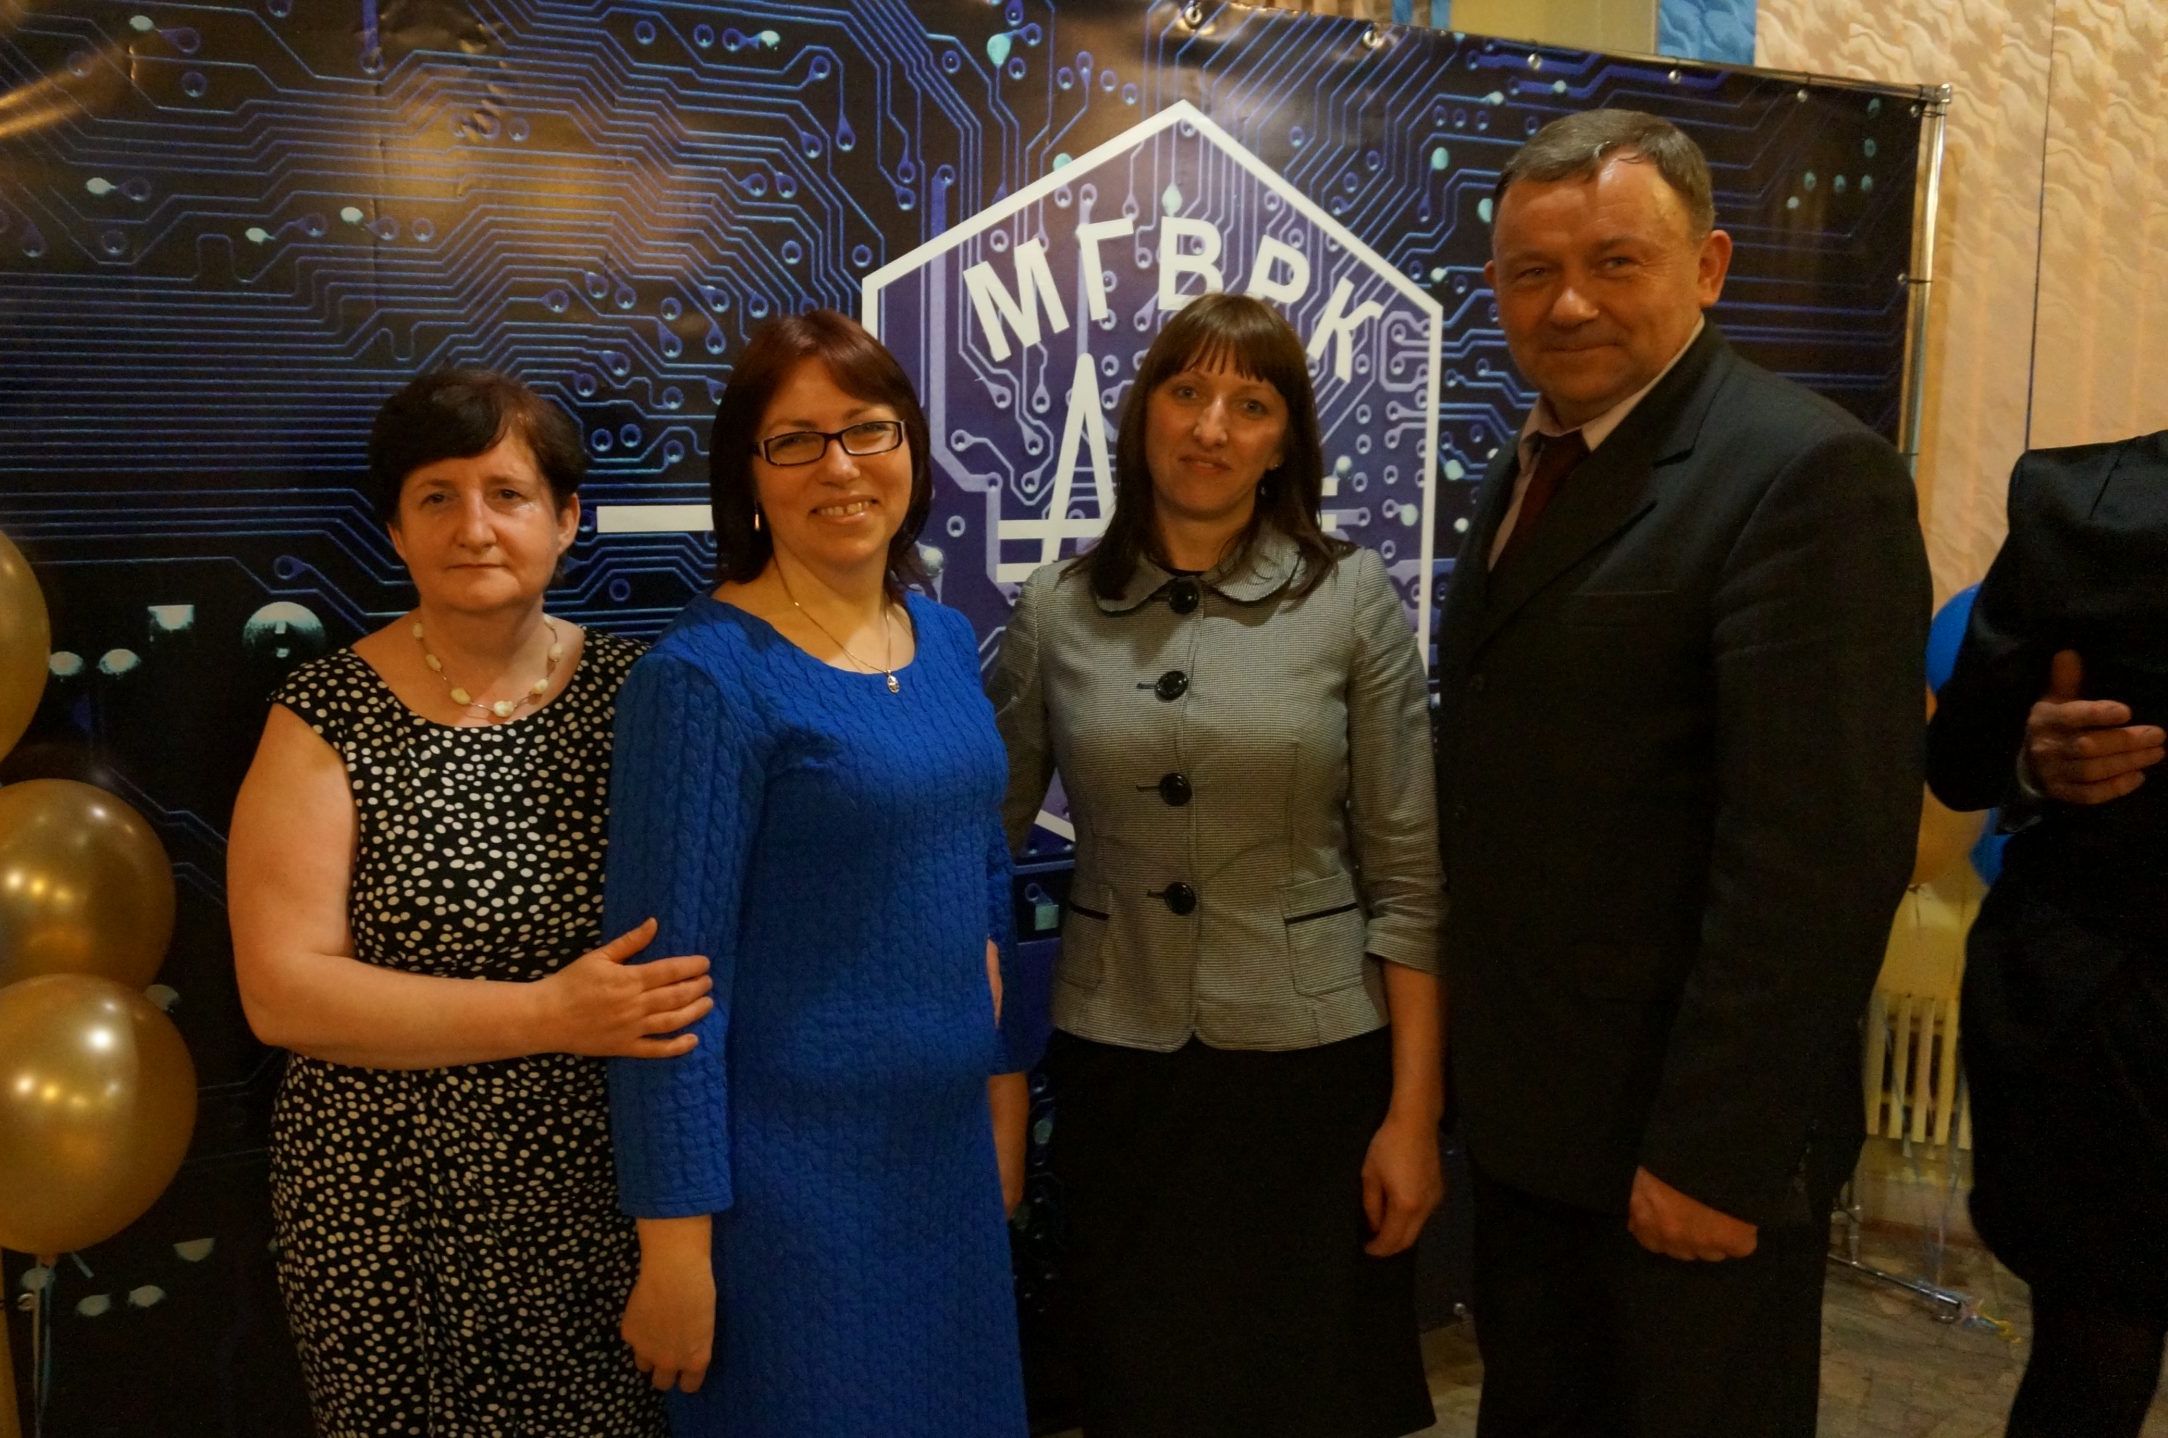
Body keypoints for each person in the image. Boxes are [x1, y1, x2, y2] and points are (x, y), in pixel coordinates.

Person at [1434, 108, 1931, 1436]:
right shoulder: (1534, 461)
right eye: (1533, 272)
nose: (1570, 302)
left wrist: (1715, 1155)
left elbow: (1817, 859)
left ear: (1707, 266)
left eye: (1616, 261)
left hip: (1685, 1154)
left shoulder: (1807, 476)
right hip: (1541, 1135)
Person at [987, 292, 1444, 1436]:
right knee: (1141, 1386)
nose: (1210, 427)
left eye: (1250, 404)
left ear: (1283, 441)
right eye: (1186, 392)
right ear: (1143, 413)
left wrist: (1412, 1116)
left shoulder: (1349, 596)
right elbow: (978, 844)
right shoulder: (1056, 607)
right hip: (1121, 1064)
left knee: (1302, 1393)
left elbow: (1407, 876)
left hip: (1311, 1072)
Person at [228, 369, 711, 1437]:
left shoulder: (649, 698)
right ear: (395, 530)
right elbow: (282, 991)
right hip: (382, 1214)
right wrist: (549, 1013)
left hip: (601, 1202)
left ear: (567, 519)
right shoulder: (324, 712)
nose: (474, 527)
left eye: (508, 493)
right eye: (436, 497)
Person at [602, 310, 1030, 1438]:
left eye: (866, 429)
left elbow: (983, 873)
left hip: (942, 1162)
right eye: (795, 441)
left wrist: (1001, 1097)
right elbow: (663, 997)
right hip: (789, 1199)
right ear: (747, 476)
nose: (839, 467)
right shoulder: (702, 680)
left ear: (910, 446)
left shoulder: (941, 637)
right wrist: (674, 1247)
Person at [1927, 429, 2168, 1438]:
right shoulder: (2081, 502)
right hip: (2103, 1015)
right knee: (2091, 1359)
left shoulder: (2084, 500)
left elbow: (1958, 760)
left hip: (2098, 1005)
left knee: (2089, 1365)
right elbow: (1963, 764)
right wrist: (2031, 759)